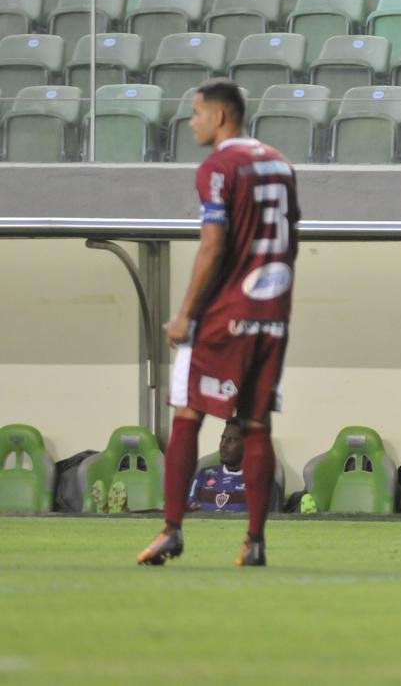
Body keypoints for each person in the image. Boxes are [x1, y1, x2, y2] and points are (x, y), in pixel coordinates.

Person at [138, 78, 300, 567]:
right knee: (255, 423)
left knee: (188, 411)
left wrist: (186, 312)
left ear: (221, 116)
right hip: (273, 311)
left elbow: (213, 244)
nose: (192, 121)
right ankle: (254, 541)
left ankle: (171, 530)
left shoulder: (218, 166)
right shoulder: (280, 163)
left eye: (196, 112)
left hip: (228, 309)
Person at [188, 421, 246, 512]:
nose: (223, 445)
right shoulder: (203, 475)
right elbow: (189, 513)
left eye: (232, 440)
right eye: (223, 439)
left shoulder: (260, 483)